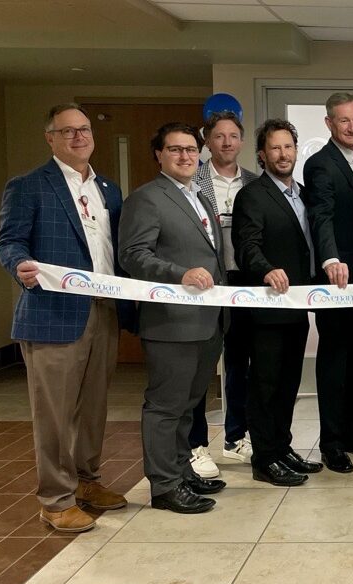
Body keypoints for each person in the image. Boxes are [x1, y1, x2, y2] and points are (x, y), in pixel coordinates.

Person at [0, 103, 136, 533]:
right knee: (55, 413)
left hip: (103, 308)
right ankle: (55, 500)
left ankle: (88, 482)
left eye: (85, 130)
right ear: (51, 138)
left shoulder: (109, 190)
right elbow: (9, 243)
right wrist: (19, 266)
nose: (79, 137)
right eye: (68, 131)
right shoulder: (29, 186)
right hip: (52, 314)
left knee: (93, 407)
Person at [119, 122, 229, 514]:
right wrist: (177, 274)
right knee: (166, 405)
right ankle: (164, 486)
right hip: (170, 322)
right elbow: (133, 254)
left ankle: (182, 471)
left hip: (208, 321)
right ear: (159, 155)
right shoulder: (147, 198)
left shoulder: (200, 197)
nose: (185, 156)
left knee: (189, 403)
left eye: (190, 149)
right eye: (175, 150)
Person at [233, 118, 331, 486]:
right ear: (262, 154)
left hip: (296, 306)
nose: (283, 153)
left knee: (288, 383)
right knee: (266, 385)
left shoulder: (303, 194)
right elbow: (247, 246)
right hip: (267, 308)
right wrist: (267, 270)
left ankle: (282, 447)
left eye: (288, 146)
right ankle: (264, 458)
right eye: (275, 147)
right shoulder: (253, 195)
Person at [302, 92, 353, 474]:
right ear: (329, 124)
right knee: (336, 363)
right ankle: (332, 444)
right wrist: (332, 258)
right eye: (344, 121)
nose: (352, 127)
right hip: (338, 280)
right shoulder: (320, 165)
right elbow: (321, 215)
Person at [186, 111, 258, 479]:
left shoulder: (254, 182)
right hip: (206, 283)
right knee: (201, 365)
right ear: (207, 140)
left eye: (233, 136)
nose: (227, 142)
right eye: (219, 136)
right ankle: (196, 444)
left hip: (244, 282)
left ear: (242, 142)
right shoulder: (192, 181)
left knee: (240, 365)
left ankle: (236, 437)